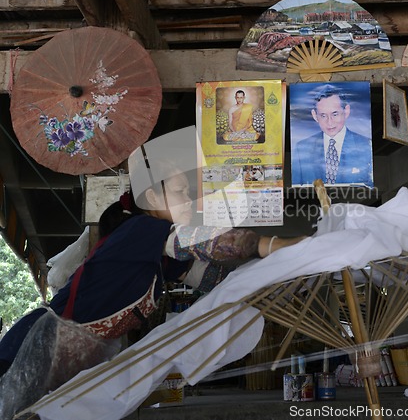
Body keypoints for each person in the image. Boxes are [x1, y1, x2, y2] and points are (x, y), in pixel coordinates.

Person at [0, 135, 306, 381]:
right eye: (180, 191)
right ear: (152, 198)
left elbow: (214, 279)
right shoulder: (141, 229)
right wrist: (274, 245)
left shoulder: (159, 255)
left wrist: (269, 287)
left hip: (68, 361)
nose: (189, 201)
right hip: (30, 352)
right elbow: (206, 243)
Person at [292, 84, 373, 186]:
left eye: (335, 114)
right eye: (323, 115)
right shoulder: (302, 149)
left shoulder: (365, 145)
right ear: (315, 115)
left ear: (346, 111)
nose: (329, 122)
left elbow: (371, 190)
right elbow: (295, 190)